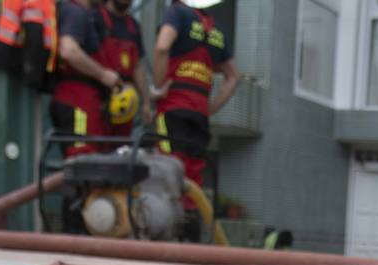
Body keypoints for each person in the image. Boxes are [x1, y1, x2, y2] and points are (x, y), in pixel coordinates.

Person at [151, 0, 240, 241]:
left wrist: (157, 87)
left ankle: (165, 240)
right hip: (199, 114)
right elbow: (234, 77)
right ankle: (190, 243)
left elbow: (161, 47)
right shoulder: (217, 30)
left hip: (173, 107)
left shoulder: (176, 13)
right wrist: (210, 108)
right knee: (193, 180)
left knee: (169, 172)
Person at [50, 0, 120, 160]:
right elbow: (68, 50)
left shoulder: (84, 15)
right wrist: (103, 74)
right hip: (78, 102)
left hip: (81, 102)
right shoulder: (76, 13)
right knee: (83, 165)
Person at [93, 0, 154, 140]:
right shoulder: (95, 18)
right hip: (98, 98)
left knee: (120, 151)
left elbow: (138, 66)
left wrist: (146, 102)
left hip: (125, 102)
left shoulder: (134, 27)